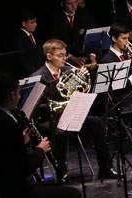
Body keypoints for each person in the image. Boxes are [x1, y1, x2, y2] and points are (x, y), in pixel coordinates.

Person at [30, 39, 116, 181]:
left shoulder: (68, 70)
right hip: (50, 118)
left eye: (65, 54)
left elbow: (80, 93)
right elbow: (38, 105)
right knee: (60, 132)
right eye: (60, 55)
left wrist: (80, 78)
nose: (65, 58)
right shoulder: (38, 76)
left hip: (70, 114)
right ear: (49, 56)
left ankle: (105, 168)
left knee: (97, 122)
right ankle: (61, 169)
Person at [14, 10, 43, 76]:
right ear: (24, 24)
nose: (36, 24)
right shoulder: (18, 38)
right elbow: (22, 59)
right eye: (32, 22)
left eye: (35, 21)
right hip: (29, 73)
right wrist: (34, 72)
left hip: (40, 70)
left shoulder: (34, 34)